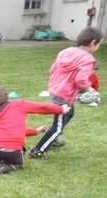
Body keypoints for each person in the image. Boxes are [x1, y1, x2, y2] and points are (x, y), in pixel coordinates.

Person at [0, 85, 70, 176]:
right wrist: (60, 109)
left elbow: (13, 131)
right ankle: (5, 166)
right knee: (17, 163)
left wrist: (36, 131)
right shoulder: (19, 105)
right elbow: (41, 107)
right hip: (13, 150)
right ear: (5, 96)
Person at [28, 26, 103, 159]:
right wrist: (87, 88)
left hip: (54, 90)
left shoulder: (65, 51)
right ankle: (37, 150)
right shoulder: (88, 59)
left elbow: (52, 69)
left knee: (70, 113)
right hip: (64, 96)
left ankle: (52, 139)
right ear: (93, 42)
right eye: (99, 44)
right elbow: (80, 79)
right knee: (58, 126)